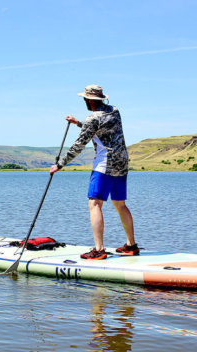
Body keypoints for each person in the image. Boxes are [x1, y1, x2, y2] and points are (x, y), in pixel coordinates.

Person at [50, 84, 139, 260]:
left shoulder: (92, 119)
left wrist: (60, 165)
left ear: (89, 100)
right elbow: (101, 128)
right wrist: (78, 123)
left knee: (95, 204)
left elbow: (79, 145)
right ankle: (131, 246)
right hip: (122, 162)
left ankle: (99, 250)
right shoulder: (114, 111)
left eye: (85, 99)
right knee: (120, 204)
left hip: (104, 164)